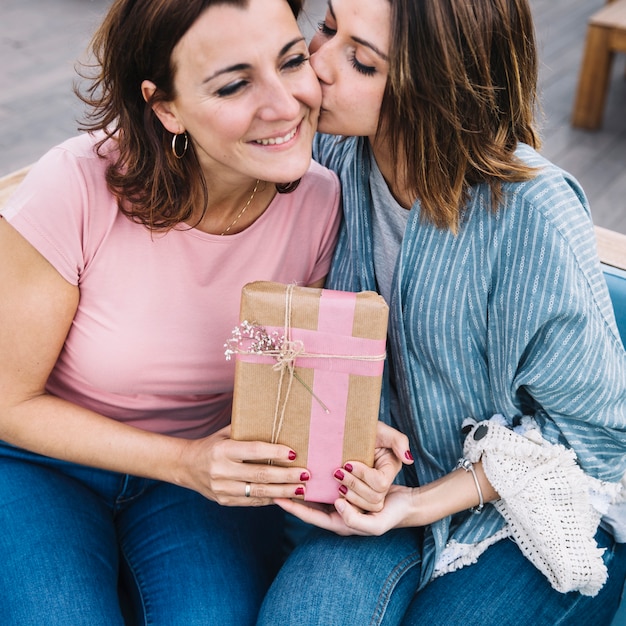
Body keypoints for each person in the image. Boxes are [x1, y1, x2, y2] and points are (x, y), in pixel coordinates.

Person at [257, 1, 626, 624]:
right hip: (376, 490)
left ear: (433, 89)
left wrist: (420, 504)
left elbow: (597, 437)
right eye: (326, 27)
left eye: (362, 61)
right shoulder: (328, 162)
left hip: (531, 506)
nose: (316, 63)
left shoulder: (533, 213)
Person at [0, 0, 345, 623]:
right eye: (235, 83)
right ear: (166, 107)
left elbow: (292, 381)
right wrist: (182, 463)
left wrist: (353, 439)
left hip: (198, 476)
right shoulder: (75, 184)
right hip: (41, 464)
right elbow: (7, 403)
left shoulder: (322, 203)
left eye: (291, 60)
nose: (285, 104)